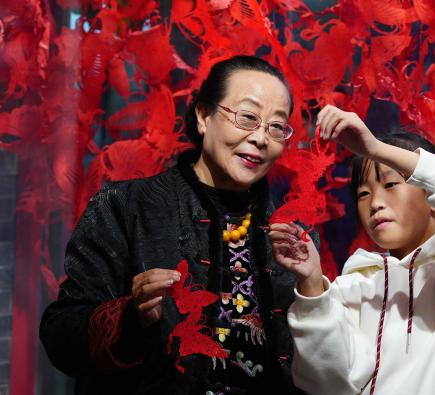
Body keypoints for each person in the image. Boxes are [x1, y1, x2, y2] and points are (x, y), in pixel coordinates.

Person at [40, 55, 304, 394]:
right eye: (248, 117)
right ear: (204, 116)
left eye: (276, 126)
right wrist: (130, 317)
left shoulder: (292, 232)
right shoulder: (125, 207)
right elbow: (60, 334)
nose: (261, 138)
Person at [269, 107, 435, 395]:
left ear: (431, 192)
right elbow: (327, 383)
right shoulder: (352, 286)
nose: (375, 202)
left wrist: (375, 149)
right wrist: (313, 284)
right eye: (363, 193)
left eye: (390, 184)